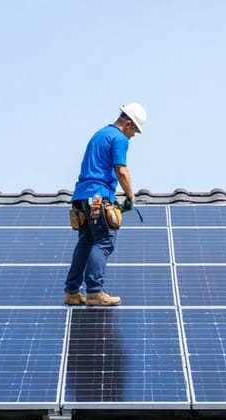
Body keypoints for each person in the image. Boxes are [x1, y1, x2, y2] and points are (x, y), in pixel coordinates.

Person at [63, 102, 147, 306]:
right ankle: (94, 292)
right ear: (128, 124)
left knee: (85, 242)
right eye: (134, 130)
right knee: (104, 242)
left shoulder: (99, 134)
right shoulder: (119, 138)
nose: (133, 135)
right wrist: (130, 197)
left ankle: (72, 292)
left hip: (81, 198)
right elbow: (121, 170)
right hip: (99, 197)